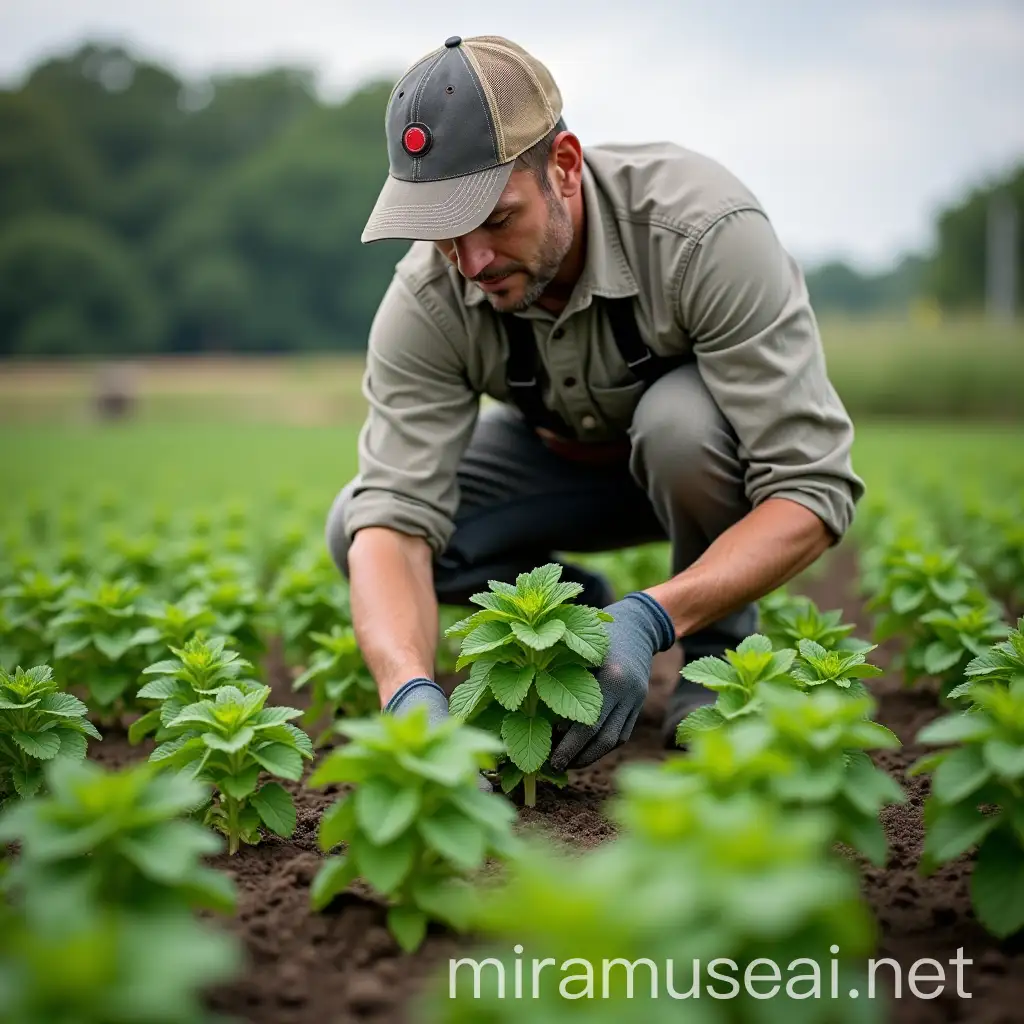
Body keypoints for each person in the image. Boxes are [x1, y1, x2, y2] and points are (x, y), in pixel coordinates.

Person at [325, 34, 864, 775]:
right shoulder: (428, 298)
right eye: (444, 231)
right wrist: (407, 691)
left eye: (496, 218)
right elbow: (392, 521)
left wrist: (653, 618)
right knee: (355, 523)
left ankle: (714, 658)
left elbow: (812, 487)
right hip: (558, 474)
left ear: (566, 167)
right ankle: (580, 614)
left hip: (702, 471)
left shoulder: (701, 232)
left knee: (680, 425)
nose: (472, 261)